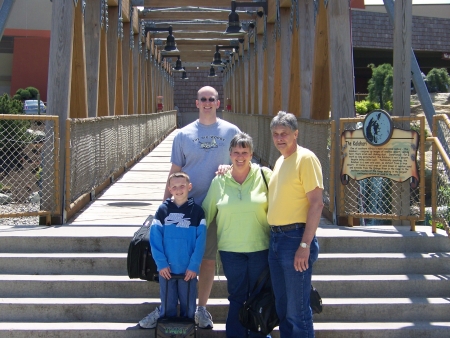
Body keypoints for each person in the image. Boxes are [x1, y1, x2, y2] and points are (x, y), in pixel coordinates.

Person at [139, 86, 240, 329]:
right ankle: (169, 307)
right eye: (203, 99)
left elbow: (242, 162)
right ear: (196, 103)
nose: (207, 103)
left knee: (206, 259)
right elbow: (174, 172)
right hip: (187, 207)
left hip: (217, 207)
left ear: (218, 103)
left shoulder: (232, 132)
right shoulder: (183, 135)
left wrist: (231, 169)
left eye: (211, 99)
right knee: (177, 260)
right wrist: (164, 207)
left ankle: (200, 308)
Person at [202, 132, 272, 338]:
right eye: (236, 152)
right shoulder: (219, 181)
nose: (240, 156)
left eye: (245, 152)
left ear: (252, 154)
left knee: (259, 295)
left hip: (260, 247)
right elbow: (206, 213)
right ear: (230, 154)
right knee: (237, 296)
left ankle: (260, 334)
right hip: (230, 250)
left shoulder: (265, 176)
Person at [267, 111, 324, 338]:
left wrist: (304, 245)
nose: (280, 138)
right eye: (276, 134)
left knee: (297, 312)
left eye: (285, 133)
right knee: (283, 309)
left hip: (295, 240)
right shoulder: (280, 160)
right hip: (276, 240)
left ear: (296, 134)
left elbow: (317, 204)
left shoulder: (306, 159)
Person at [144, 172, 206, 326]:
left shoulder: (197, 212)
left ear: (189, 187)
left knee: (189, 308)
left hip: (188, 271)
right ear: (169, 189)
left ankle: (188, 333)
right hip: (167, 270)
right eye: (175, 187)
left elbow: (201, 241)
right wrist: (161, 264)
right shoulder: (163, 210)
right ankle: (167, 333)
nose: (179, 190)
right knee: (167, 307)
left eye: (182, 186)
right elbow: (155, 239)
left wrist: (194, 266)